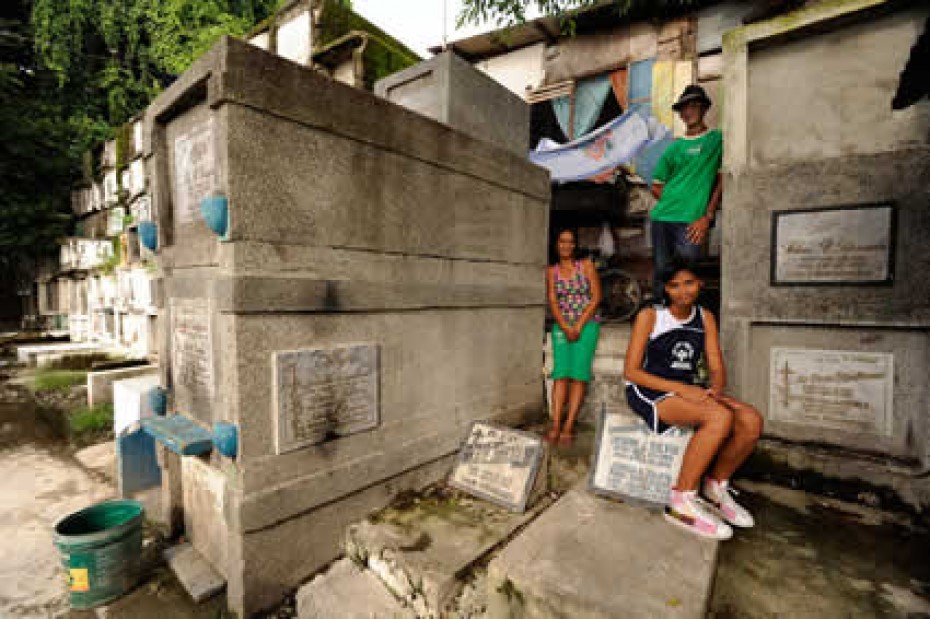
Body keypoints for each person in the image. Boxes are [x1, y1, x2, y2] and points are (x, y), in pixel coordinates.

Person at [623, 258, 763, 540]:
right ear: (666, 289)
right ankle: (682, 500)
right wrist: (683, 390)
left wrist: (716, 389)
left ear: (700, 283)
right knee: (718, 417)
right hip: (649, 389)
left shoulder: (705, 317)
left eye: (689, 282)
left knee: (750, 419)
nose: (683, 291)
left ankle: (715, 488)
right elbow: (631, 371)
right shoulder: (651, 315)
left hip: (687, 387)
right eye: (674, 285)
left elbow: (715, 364)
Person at [649, 84, 723, 299]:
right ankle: (660, 317)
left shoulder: (716, 140)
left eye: (694, 106)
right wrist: (675, 200)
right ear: (681, 114)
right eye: (684, 108)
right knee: (662, 271)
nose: (688, 111)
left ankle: (685, 320)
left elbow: (722, 180)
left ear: (704, 109)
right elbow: (656, 185)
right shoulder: (674, 147)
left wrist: (707, 216)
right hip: (662, 217)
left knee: (687, 271)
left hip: (692, 221)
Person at [546, 228, 602, 446]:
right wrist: (565, 325)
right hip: (562, 326)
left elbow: (596, 297)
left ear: (575, 245)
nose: (566, 246)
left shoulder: (586, 266)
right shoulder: (552, 271)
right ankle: (556, 424)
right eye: (562, 241)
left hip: (587, 324)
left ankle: (569, 426)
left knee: (578, 374)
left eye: (570, 242)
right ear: (556, 244)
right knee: (561, 374)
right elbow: (553, 300)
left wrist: (578, 325)